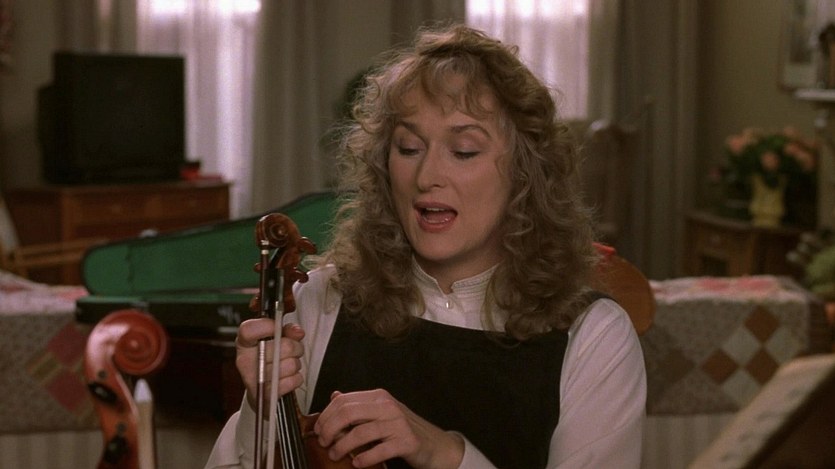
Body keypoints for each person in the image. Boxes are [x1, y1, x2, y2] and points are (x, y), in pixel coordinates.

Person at [206, 23, 646, 469]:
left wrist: (445, 454)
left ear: (524, 173)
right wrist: (262, 410)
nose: (426, 177)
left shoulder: (594, 336)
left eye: (464, 151)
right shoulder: (319, 300)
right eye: (409, 148)